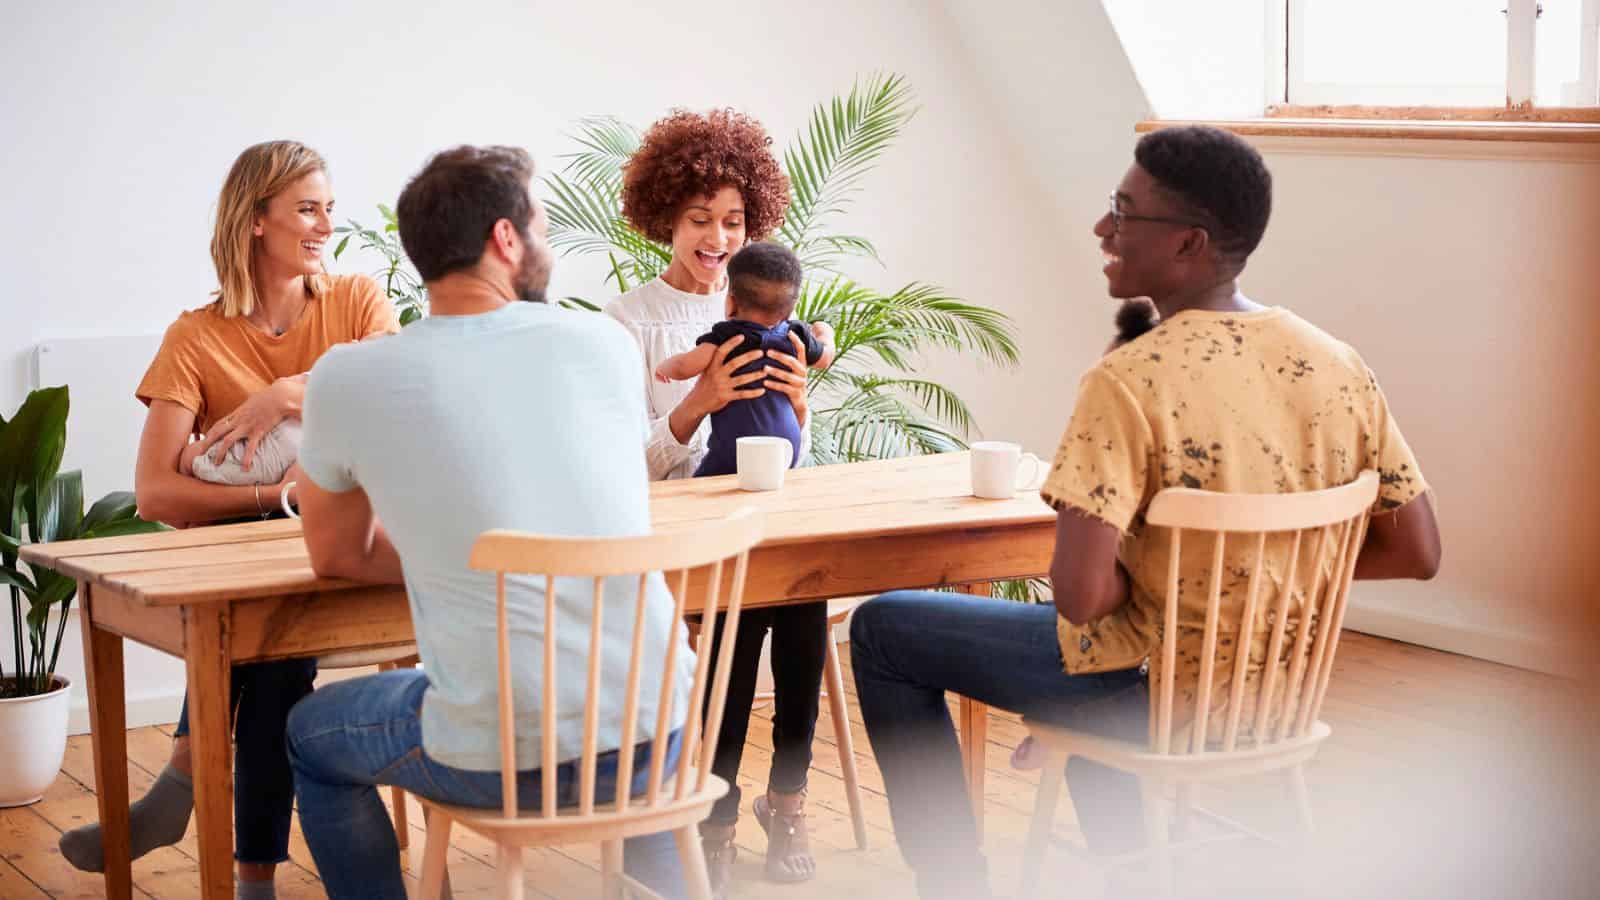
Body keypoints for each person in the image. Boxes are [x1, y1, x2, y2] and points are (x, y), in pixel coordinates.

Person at [849, 125, 1443, 899]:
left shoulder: (1130, 381)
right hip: (1269, 697)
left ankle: (953, 884)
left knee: (885, 628)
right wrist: (1252, 584)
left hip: (1150, 698)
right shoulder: (1335, 362)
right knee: (1096, 662)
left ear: (1189, 244)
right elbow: (1418, 550)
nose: (1103, 229)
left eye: (1124, 213)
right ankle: (1130, 875)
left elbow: (1081, 598)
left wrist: (1176, 590)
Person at [283, 145, 694, 900]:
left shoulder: (349, 375)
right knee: (621, 717)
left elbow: (336, 554)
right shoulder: (604, 342)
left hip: (504, 752)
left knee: (311, 733)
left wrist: (462, 555)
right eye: (540, 224)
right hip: (658, 730)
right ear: (506, 239)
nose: (547, 243)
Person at [57, 140, 398, 900]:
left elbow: (396, 395)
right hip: (260, 562)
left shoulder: (356, 301)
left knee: (265, 640)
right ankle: (248, 878)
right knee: (271, 652)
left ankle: (187, 792)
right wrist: (273, 500)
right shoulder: (196, 337)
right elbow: (155, 494)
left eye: (328, 209)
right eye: (307, 209)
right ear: (255, 220)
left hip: (346, 549)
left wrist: (281, 396)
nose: (324, 225)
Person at [604, 107, 833, 890]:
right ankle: (721, 808)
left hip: (760, 523)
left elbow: (793, 447)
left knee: (806, 599)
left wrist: (800, 403)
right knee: (750, 620)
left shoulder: (770, 310)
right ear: (663, 219)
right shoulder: (627, 323)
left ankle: (786, 798)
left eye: (734, 220)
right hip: (674, 540)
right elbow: (621, 464)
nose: (718, 237)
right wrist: (695, 403)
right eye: (700, 218)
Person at [654, 242, 834, 477]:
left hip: (734, 449)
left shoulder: (727, 338)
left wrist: (664, 368)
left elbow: (684, 366)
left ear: (730, 303)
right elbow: (825, 358)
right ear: (790, 311)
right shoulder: (795, 336)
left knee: (705, 481)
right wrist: (825, 332)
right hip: (786, 449)